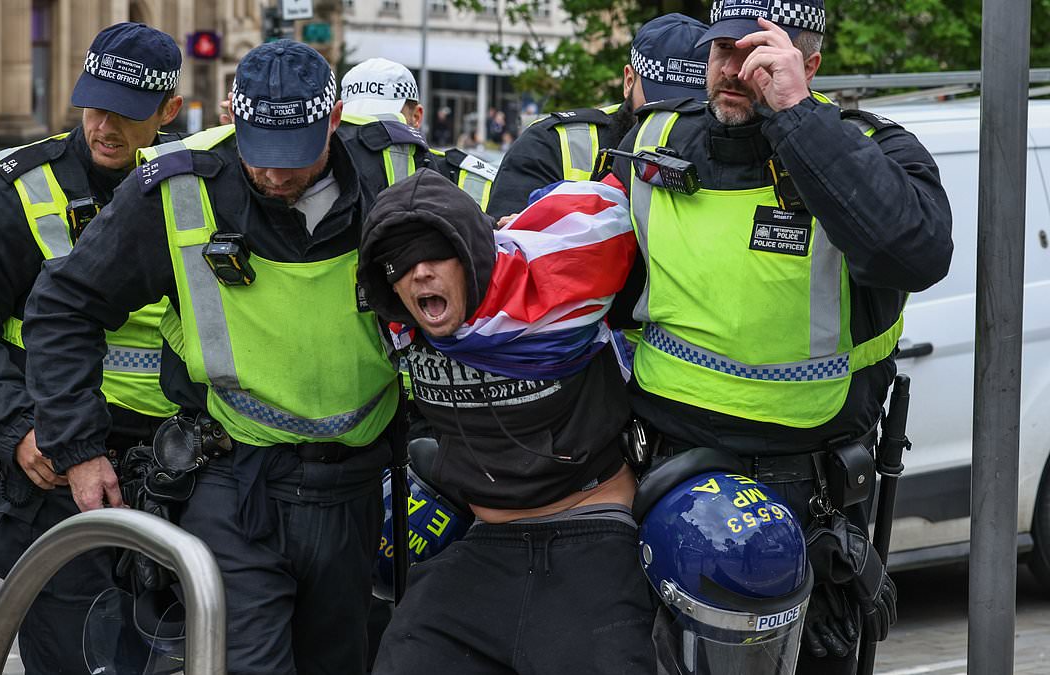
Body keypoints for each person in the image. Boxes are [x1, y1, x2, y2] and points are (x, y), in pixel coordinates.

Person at [22, 40, 399, 674]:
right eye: (261, 158)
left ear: (333, 121)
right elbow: (64, 303)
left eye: (295, 158)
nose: (277, 177)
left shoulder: (394, 174)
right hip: (234, 479)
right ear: (231, 114)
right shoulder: (179, 187)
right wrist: (78, 446)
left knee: (341, 661)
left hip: (354, 488)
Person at [610, 1, 953, 673]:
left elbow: (915, 252)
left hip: (807, 508)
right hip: (667, 487)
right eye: (721, 53)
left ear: (809, 65)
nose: (734, 71)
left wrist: (796, 115)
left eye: (758, 55)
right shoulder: (656, 143)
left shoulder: (871, 152)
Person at [0, 22, 183, 674]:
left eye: (126, 115)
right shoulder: (9, 194)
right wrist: (19, 434)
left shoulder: (195, 180)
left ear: (169, 111)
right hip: (56, 478)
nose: (104, 128)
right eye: (93, 106)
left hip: (184, 473)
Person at [357, 168, 659, 674]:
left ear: (473, 253)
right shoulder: (397, 323)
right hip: (487, 543)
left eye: (436, 254)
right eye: (401, 264)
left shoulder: (555, 273)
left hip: (592, 530)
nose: (420, 273)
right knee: (402, 653)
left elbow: (616, 196)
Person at [486, 13, 709, 218]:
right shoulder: (550, 145)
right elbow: (505, 248)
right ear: (629, 81)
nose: (674, 115)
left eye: (692, 106)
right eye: (660, 102)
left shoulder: (728, 152)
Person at [339, 57, 498, 210]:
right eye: (352, 123)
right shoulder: (328, 173)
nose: (364, 136)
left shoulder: (470, 180)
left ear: (416, 117)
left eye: (383, 124)